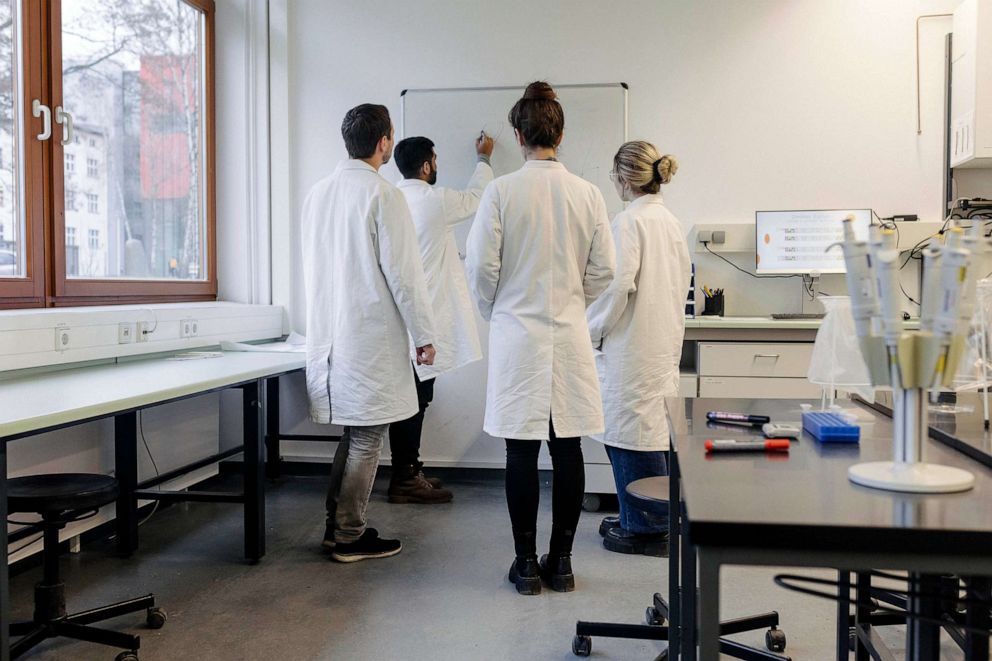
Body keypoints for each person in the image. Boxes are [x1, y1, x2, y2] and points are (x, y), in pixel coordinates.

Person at [465, 82, 616, 595]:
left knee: (520, 451)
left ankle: (526, 564)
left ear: (517, 134)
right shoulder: (588, 194)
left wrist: (497, 308)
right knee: (568, 446)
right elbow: (605, 272)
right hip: (569, 334)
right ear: (561, 134)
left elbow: (481, 268)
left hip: (518, 335)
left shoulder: (501, 191)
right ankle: (565, 562)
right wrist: (573, 299)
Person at [301, 103, 437, 563]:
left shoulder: (318, 193)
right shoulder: (384, 195)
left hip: (331, 334)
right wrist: (424, 333)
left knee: (355, 431)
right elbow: (404, 275)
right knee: (366, 435)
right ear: (384, 142)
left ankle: (334, 527)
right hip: (368, 336)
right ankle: (350, 534)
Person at [587, 141, 690, 556]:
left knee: (629, 433)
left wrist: (589, 331)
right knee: (650, 431)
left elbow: (616, 288)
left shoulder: (628, 223)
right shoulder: (669, 221)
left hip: (631, 347)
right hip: (659, 343)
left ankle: (644, 529)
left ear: (624, 179)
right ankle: (645, 517)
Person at [387, 134, 496, 504]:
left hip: (397, 319)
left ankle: (410, 470)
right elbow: (477, 199)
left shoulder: (392, 198)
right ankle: (404, 478)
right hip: (422, 319)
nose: (437, 165)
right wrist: (483, 158)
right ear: (426, 166)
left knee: (413, 399)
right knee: (415, 401)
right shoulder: (433, 201)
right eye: (435, 159)